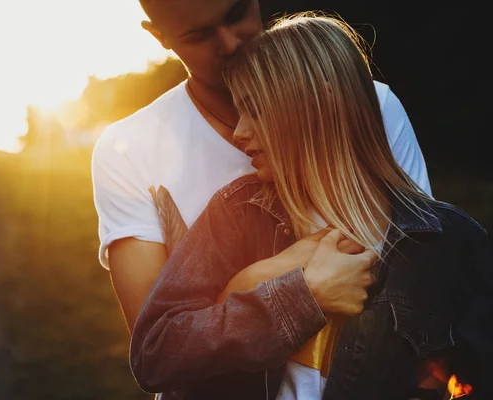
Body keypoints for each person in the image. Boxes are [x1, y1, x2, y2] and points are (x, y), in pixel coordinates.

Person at [128, 12, 493, 400]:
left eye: (256, 109)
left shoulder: (451, 241)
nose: (239, 132)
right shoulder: (237, 213)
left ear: (314, 107)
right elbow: (155, 354)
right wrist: (302, 298)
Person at [92, 0, 431, 333]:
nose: (230, 44)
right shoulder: (128, 150)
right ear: (159, 37)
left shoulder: (370, 104)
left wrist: (237, 291)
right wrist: (286, 289)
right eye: (198, 35)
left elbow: (422, 275)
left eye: (237, 13)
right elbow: (158, 343)